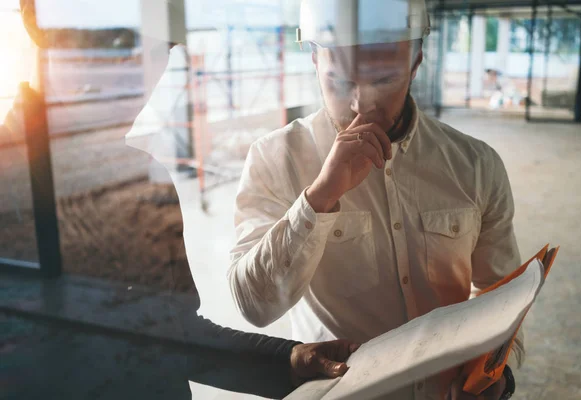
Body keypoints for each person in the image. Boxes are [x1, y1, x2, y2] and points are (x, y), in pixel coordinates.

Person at [8, 1, 360, 399]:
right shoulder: (14, 181)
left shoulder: (140, 177)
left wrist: (289, 359)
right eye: (125, 47)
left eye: (159, 55)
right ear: (51, 39)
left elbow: (174, 333)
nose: (146, 78)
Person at [229, 0, 523, 399]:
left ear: (416, 62)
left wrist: (493, 372)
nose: (359, 105)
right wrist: (320, 197)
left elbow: (500, 295)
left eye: (384, 79)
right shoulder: (275, 158)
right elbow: (254, 306)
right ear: (315, 59)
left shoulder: (475, 164)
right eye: (340, 81)